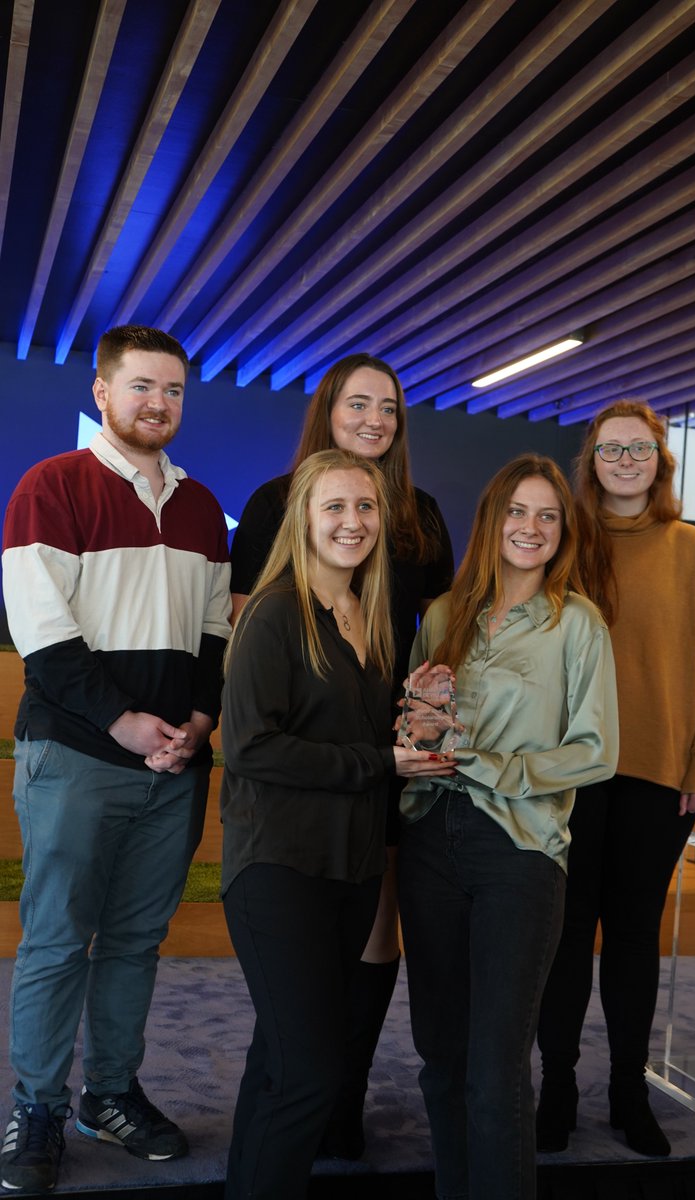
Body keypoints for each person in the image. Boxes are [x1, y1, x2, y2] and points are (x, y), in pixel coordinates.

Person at [0, 326, 231, 1195]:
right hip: (75, 755)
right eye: (140, 386)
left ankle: (109, 1094)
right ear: (101, 392)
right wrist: (124, 722)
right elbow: (43, 632)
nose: (157, 403)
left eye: (172, 390)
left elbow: (214, 632)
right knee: (58, 941)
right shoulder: (51, 485)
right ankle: (37, 1108)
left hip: (172, 766)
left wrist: (198, 720)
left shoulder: (203, 506)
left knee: (135, 941)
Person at [229, 352, 453, 1157]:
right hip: (302, 798)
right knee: (301, 1026)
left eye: (388, 407)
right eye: (358, 403)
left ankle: (336, 1104)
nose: (374, 419)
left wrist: (425, 708)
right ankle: (313, 1096)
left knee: (362, 954)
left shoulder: (415, 525)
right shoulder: (276, 528)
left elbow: (432, 641)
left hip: (381, 777)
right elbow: (257, 691)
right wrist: (372, 756)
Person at [397, 453, 619, 1200]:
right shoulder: (442, 615)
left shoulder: (576, 623)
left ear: (563, 532)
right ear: (492, 520)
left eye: (547, 516)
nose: (531, 527)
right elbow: (418, 737)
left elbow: (596, 751)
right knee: (441, 1059)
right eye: (518, 512)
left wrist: (491, 765)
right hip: (430, 838)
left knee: (495, 1071)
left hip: (519, 851)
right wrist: (420, 718)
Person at [536, 399, 695, 1158]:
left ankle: (629, 1089)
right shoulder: (565, 540)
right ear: (590, 462)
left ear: (661, 461)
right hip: (568, 771)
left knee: (631, 936)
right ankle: (557, 1087)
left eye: (640, 449)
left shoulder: (694, 550)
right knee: (562, 935)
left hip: (658, 773)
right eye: (611, 449)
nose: (626, 461)